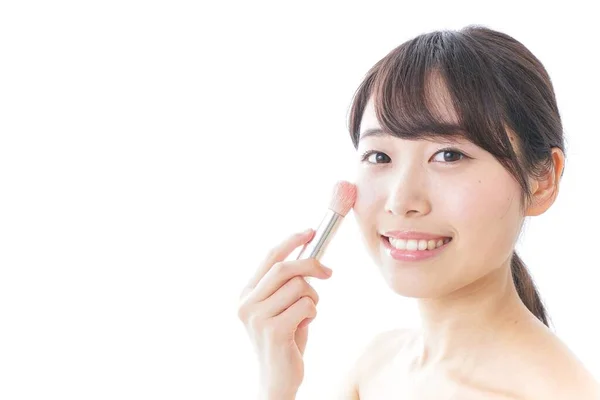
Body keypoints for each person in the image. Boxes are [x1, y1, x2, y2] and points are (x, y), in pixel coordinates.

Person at [237, 25, 600, 399]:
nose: (400, 200)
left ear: (542, 181)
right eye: (379, 156)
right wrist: (277, 382)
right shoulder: (375, 366)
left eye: (449, 155)